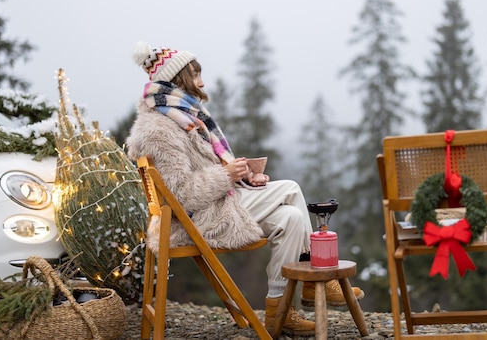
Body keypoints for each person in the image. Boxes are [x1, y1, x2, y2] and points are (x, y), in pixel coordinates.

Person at [126, 42, 364, 336]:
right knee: (290, 187)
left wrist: (242, 176)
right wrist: (226, 175)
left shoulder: (185, 117)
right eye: (194, 75)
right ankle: (314, 280)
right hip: (192, 221)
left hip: (214, 206)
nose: (201, 82)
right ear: (175, 81)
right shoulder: (159, 129)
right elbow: (179, 197)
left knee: (290, 218)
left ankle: (281, 310)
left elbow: (201, 173)